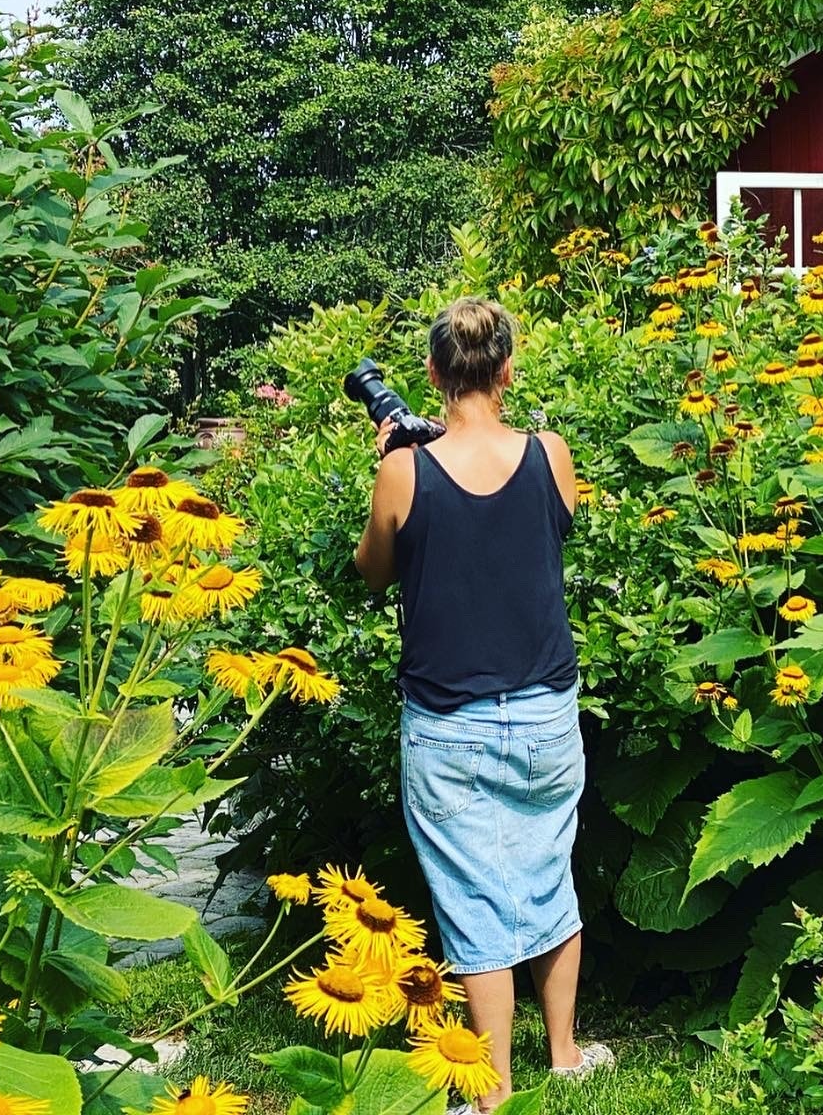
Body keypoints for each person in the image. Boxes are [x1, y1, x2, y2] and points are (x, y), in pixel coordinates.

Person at [355, 296, 613, 1112]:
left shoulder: (404, 468)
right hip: (544, 710)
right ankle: (565, 1055)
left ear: (432, 373)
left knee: (472, 900)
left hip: (448, 723)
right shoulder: (552, 453)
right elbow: (551, 529)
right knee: (547, 875)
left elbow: (373, 569)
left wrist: (390, 462)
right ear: (508, 371)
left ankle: (493, 1087)